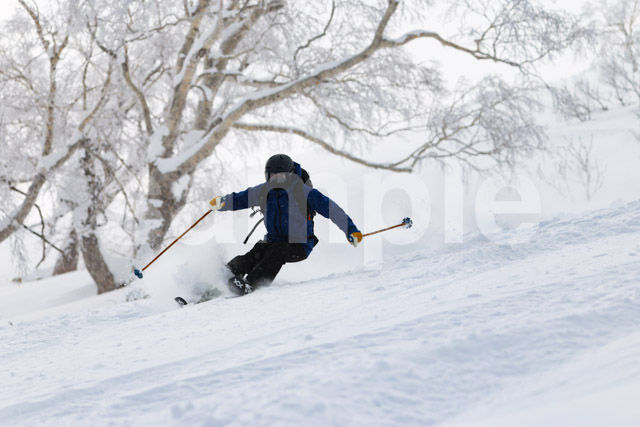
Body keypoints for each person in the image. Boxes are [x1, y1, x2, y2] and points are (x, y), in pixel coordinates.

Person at [208, 154, 362, 295]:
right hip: (272, 240)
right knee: (255, 253)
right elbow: (241, 198)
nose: (276, 180)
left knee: (278, 252)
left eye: (280, 176)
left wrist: (351, 230)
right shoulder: (264, 190)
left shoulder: (304, 192)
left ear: (290, 175)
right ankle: (221, 277)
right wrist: (223, 202)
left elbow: (332, 210)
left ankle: (251, 284)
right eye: (272, 176)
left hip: (299, 244)